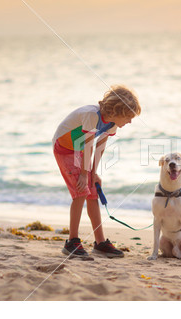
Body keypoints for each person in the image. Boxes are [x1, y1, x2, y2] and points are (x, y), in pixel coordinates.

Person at [52, 85, 141, 258]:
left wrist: (94, 173)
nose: (130, 121)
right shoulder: (92, 115)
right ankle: (72, 242)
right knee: (81, 191)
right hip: (65, 148)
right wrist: (85, 175)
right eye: (129, 117)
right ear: (118, 111)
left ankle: (100, 243)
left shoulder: (112, 124)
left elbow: (100, 146)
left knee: (92, 190)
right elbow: (88, 144)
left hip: (80, 149)